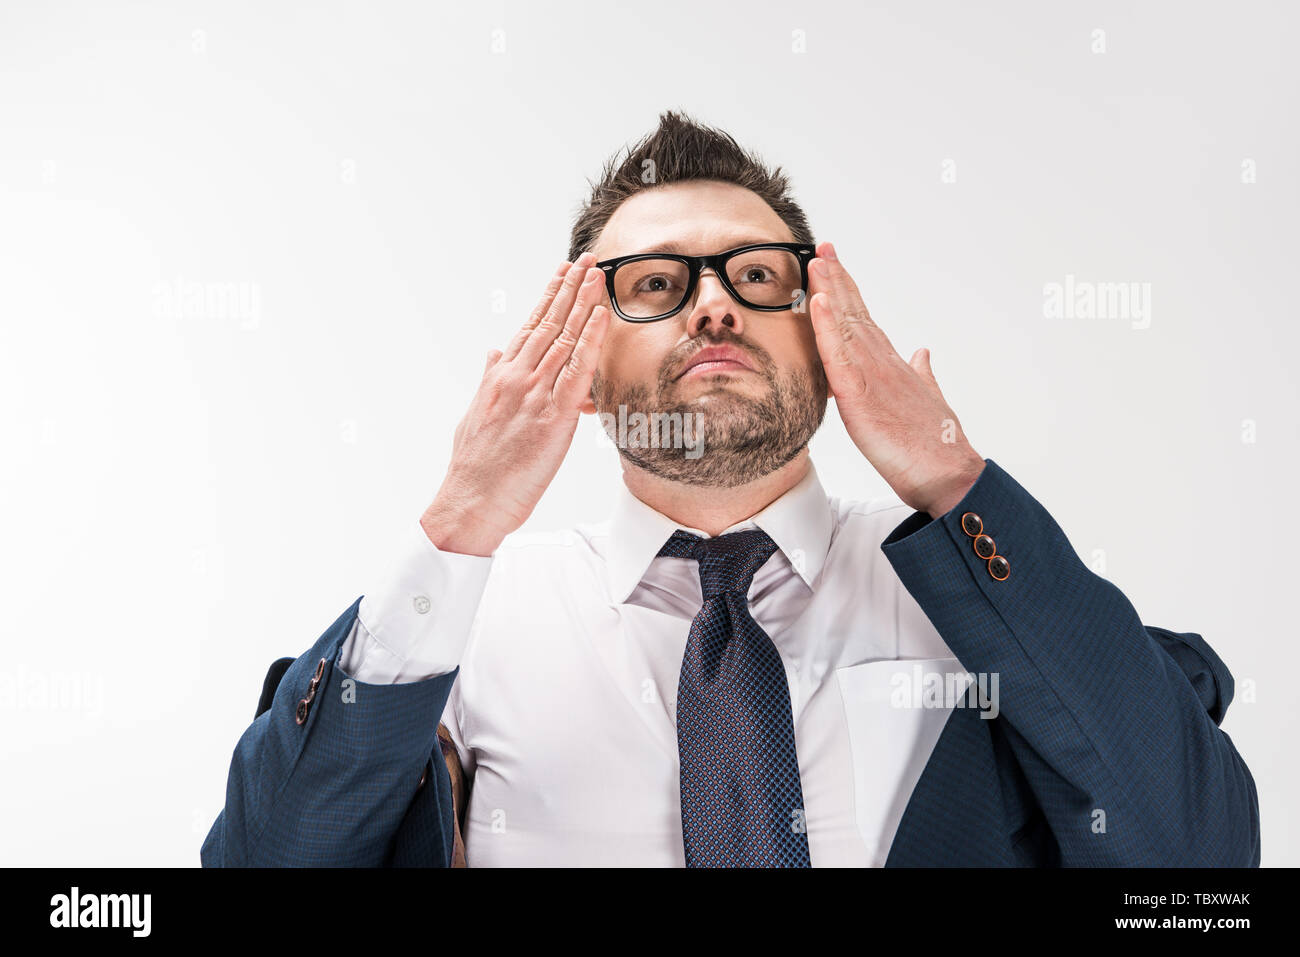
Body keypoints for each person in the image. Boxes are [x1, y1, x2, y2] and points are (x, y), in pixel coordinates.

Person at [201, 110, 1260, 867]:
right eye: (656, 284)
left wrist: (950, 476)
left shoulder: (975, 601)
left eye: (757, 276)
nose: (714, 307)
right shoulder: (462, 626)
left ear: (821, 326)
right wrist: (457, 526)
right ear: (575, 364)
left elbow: (1197, 857)